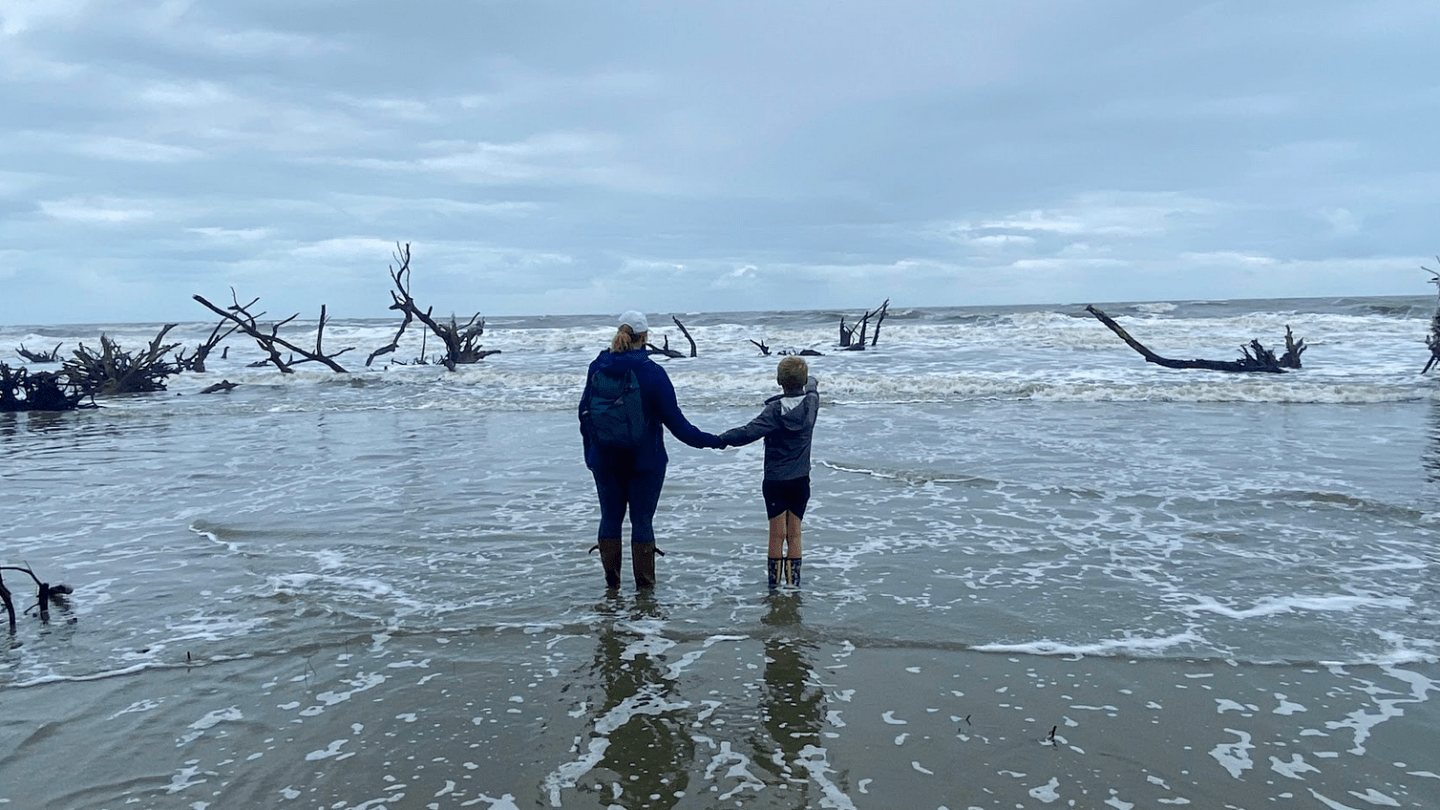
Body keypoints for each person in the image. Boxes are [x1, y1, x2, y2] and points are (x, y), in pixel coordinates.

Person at [579, 310, 722, 589]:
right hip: (646, 461)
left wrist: (590, 455)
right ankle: (645, 593)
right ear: (644, 338)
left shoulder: (597, 367)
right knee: (641, 521)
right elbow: (678, 425)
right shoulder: (653, 373)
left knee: (610, 518)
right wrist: (715, 440)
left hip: (604, 459)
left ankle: (612, 587)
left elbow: (584, 413)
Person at [718, 356, 819, 588]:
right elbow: (813, 386)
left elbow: (747, 433)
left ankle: (773, 588)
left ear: (778, 381)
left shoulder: (774, 410)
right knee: (794, 534)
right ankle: (793, 587)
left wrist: (720, 439)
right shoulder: (812, 403)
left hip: (775, 480)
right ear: (803, 381)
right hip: (801, 479)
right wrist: (811, 381)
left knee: (776, 534)